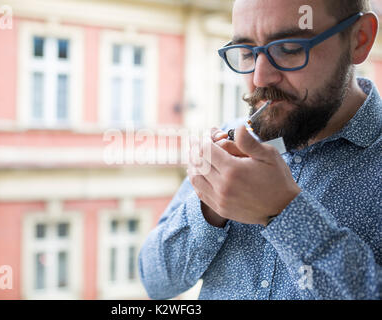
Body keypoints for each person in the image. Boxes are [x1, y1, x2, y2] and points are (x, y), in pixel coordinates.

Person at [138, 0, 381, 299]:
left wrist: (286, 213)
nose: (259, 78)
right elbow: (155, 281)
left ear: (360, 39)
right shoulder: (234, 142)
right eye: (246, 52)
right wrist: (209, 207)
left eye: (289, 48)